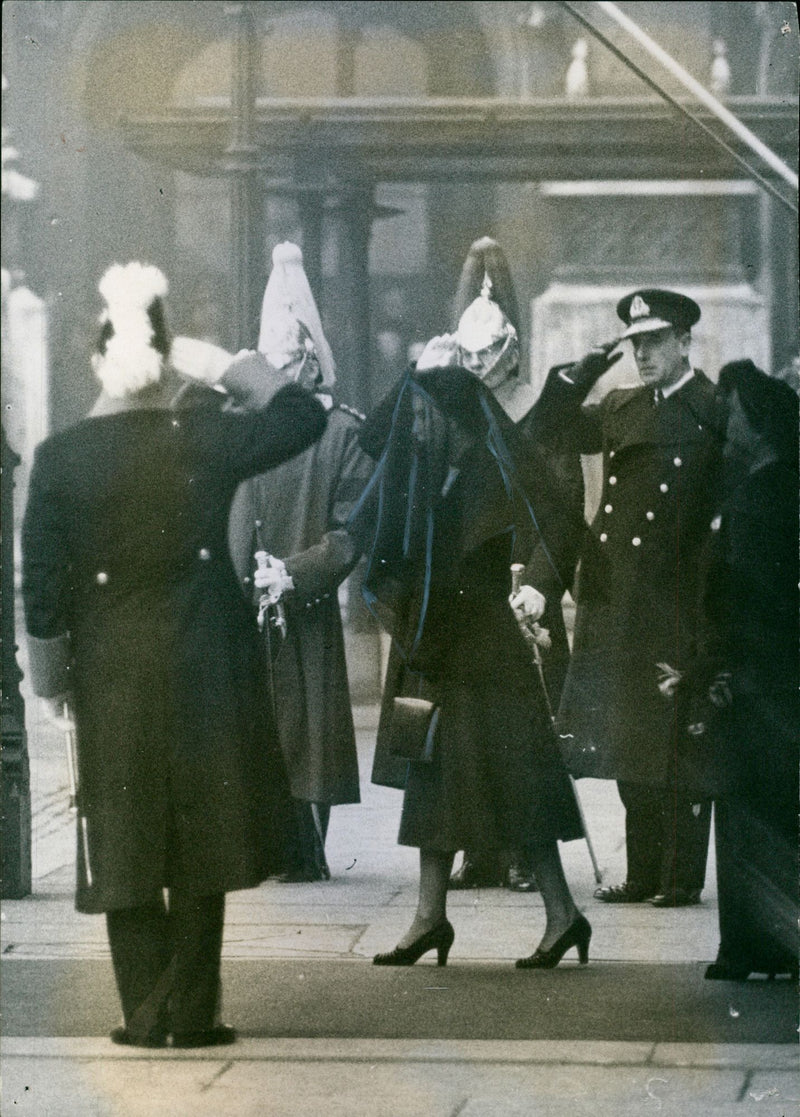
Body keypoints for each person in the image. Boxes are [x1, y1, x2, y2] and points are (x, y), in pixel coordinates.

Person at [21, 262, 326, 1048]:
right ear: (167, 362)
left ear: (97, 365)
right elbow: (303, 417)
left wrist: (54, 680)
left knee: (122, 830)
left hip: (109, 668)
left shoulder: (60, 458)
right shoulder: (204, 436)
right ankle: (192, 1012)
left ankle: (144, 1009)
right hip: (204, 662)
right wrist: (228, 365)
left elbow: (43, 586)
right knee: (201, 831)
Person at [350, 298, 589, 970]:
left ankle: (562, 913)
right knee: (437, 780)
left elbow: (562, 521)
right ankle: (432, 917)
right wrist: (417, 372)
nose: (415, 427)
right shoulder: (437, 462)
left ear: (452, 416)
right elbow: (375, 436)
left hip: (482, 647)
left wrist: (538, 586)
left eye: (426, 413)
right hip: (444, 645)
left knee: (517, 781)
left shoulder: (488, 465)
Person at [536, 288, 727, 907]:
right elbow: (549, 427)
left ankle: (678, 876)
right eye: (635, 344)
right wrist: (588, 366)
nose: (643, 354)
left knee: (674, 743)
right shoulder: (621, 405)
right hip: (617, 593)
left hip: (676, 594)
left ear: (684, 342)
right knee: (627, 738)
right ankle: (643, 871)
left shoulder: (714, 409)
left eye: (654, 342)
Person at [440, 236, 586, 893]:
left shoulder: (542, 417)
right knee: (474, 730)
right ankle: (484, 848)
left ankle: (530, 853)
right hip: (474, 593)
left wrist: (537, 583)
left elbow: (561, 510)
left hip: (524, 590)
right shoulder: (461, 420)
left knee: (531, 734)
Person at [227, 242, 374, 881]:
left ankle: (302, 848)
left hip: (303, 603)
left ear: (311, 363)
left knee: (305, 731)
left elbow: (349, 534)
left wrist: (293, 574)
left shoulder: (342, 433)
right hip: (240, 601)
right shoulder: (242, 428)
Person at [684, 360, 798, 979]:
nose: (724, 425)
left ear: (755, 424)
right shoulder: (767, 484)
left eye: (733, 413)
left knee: (754, 811)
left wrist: (716, 660)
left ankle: (755, 945)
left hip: (759, 677)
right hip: (766, 675)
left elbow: (745, 592)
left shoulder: (760, 494)